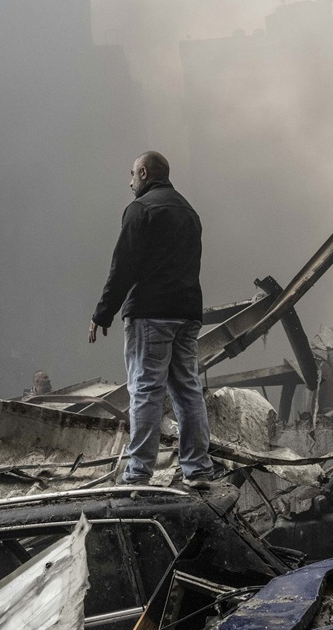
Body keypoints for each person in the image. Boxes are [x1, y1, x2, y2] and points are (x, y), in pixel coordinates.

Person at [88, 151, 214, 488]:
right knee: (188, 391)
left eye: (132, 175)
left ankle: (138, 472)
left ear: (144, 172)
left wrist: (103, 313)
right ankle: (198, 470)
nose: (130, 183)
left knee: (145, 389)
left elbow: (123, 267)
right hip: (187, 313)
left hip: (151, 313)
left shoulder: (140, 209)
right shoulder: (189, 212)